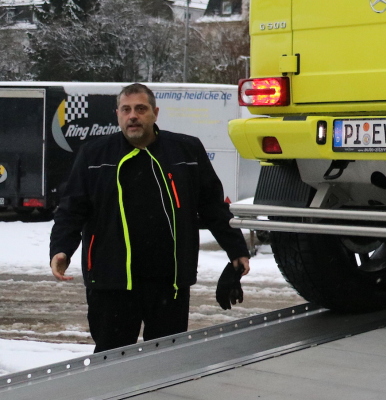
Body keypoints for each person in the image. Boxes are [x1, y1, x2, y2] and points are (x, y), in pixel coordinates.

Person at [49, 82, 250, 351]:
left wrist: (236, 248)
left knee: (165, 361)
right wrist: (61, 249)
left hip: (169, 282)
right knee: (112, 359)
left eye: (141, 109)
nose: (133, 115)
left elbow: (212, 205)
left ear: (155, 113)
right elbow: (72, 208)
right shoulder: (95, 154)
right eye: (126, 109)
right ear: (117, 114)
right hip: (111, 281)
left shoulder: (185, 151)